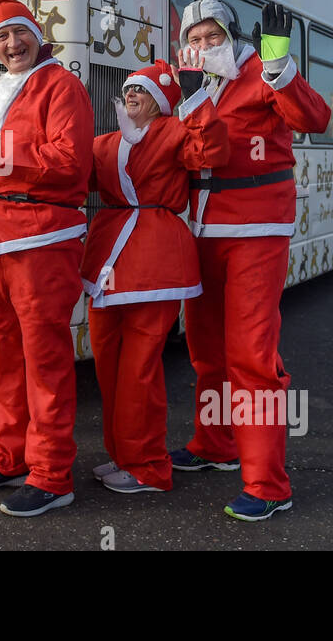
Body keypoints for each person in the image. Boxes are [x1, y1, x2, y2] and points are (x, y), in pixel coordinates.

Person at [173, 0, 331, 521]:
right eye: (193, 39)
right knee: (206, 350)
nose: (202, 47)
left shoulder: (262, 72)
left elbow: (315, 118)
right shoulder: (194, 88)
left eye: (211, 36)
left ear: (231, 35)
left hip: (255, 231)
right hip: (201, 230)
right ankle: (215, 443)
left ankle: (268, 484)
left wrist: (280, 63)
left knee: (251, 357)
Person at [0, 0, 93, 517]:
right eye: (2, 38)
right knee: (4, 353)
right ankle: (11, 456)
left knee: (45, 358)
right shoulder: (3, 89)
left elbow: (71, 162)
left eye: (19, 32)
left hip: (42, 238)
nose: (12, 44)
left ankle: (52, 474)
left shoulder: (62, 85)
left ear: (38, 34)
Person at [82, 57, 229, 494]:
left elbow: (213, 152)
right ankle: (122, 455)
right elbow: (70, 178)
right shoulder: (104, 142)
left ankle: (149, 466)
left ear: (161, 103)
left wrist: (196, 98)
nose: (131, 95)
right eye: (128, 88)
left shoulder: (174, 131)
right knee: (108, 365)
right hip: (108, 258)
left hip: (156, 259)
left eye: (142, 91)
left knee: (139, 370)